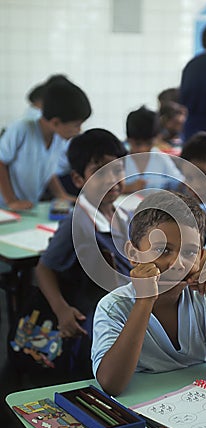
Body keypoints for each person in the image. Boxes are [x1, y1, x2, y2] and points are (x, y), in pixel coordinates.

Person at [92, 191, 206, 396]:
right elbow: (111, 384)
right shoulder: (113, 307)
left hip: (205, 407)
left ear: (201, 257)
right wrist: (144, 301)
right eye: (163, 250)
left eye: (190, 252)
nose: (178, 264)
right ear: (134, 254)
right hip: (142, 410)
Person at [35, 128, 131, 378]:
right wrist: (61, 309)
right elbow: (44, 268)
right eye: (99, 171)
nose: (111, 179)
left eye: (117, 169)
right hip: (97, 318)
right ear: (78, 180)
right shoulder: (76, 223)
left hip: (123, 306)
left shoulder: (121, 215)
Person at [0, 79, 91, 210]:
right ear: (55, 123)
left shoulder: (58, 138)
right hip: (5, 208)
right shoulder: (22, 129)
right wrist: (11, 201)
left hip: (27, 207)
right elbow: (1, 162)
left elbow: (48, 172)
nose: (79, 130)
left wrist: (61, 195)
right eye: (77, 125)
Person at [124, 106, 184, 193]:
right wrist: (128, 188)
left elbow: (179, 183)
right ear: (128, 140)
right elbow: (105, 189)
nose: (142, 149)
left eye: (148, 143)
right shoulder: (120, 160)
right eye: (138, 144)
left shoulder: (161, 158)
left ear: (156, 139)